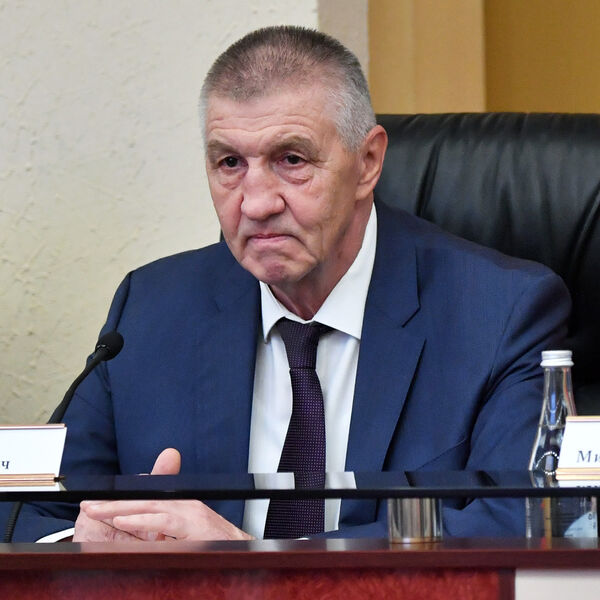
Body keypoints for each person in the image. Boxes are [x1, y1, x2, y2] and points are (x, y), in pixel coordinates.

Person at [2, 26, 570, 542]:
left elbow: (522, 522)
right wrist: (86, 542)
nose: (255, 203)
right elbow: (23, 511)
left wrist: (253, 562)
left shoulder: (500, 313)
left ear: (368, 162)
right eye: (229, 163)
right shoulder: (150, 311)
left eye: (291, 159)